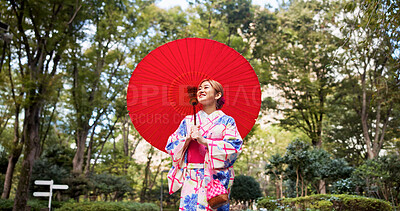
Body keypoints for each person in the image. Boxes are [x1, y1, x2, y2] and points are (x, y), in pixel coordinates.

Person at [165, 79, 243, 211]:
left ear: (217, 95)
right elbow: (171, 145)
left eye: (206, 87)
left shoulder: (227, 121)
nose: (201, 90)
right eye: (199, 88)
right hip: (192, 175)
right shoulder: (188, 121)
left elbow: (235, 146)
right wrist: (187, 138)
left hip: (215, 177)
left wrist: (204, 141)